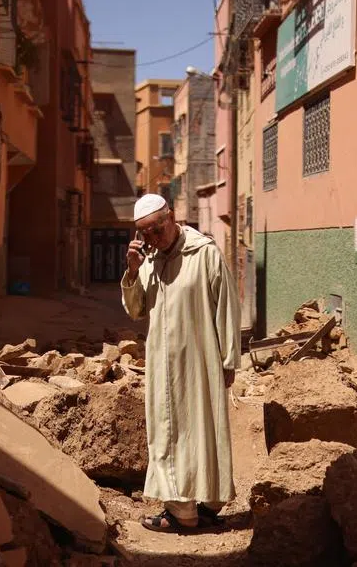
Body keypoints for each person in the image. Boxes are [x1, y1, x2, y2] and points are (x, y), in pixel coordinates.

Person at [121, 193, 240, 533]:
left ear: (171, 217)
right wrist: (132, 271)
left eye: (157, 230)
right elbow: (135, 310)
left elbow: (225, 306)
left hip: (201, 363)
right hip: (162, 365)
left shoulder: (205, 254)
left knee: (204, 429)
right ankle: (180, 510)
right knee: (167, 431)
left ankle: (207, 503)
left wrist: (228, 359)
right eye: (145, 234)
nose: (153, 239)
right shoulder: (149, 263)